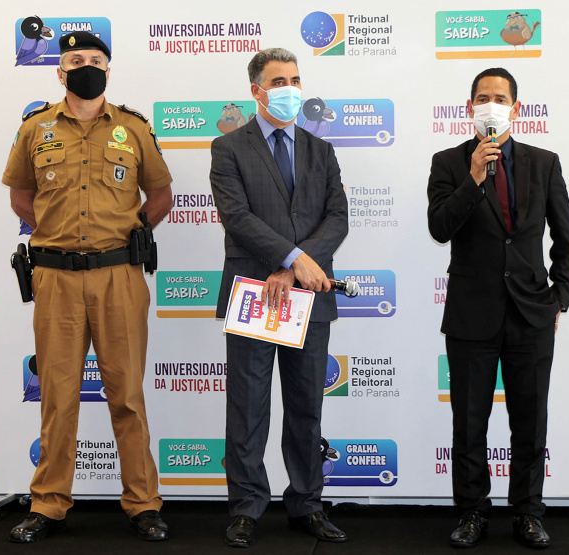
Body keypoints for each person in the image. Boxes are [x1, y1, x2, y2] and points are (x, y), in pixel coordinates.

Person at [1, 31, 173, 543]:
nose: (85, 67)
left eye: (95, 60)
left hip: (119, 277)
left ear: (108, 68)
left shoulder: (134, 128)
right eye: (75, 60)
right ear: (60, 71)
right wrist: (55, 238)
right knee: (57, 396)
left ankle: (143, 504)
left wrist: (127, 235)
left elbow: (160, 194)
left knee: (127, 395)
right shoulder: (35, 129)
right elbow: (20, 199)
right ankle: (48, 504)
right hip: (55, 279)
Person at [427, 68, 569, 549]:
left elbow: (565, 239)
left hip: (532, 314)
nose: (490, 104)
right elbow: (439, 228)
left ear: (516, 107)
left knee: (529, 422)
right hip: (472, 315)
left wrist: (561, 297)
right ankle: (472, 512)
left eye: (500, 97)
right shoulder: (448, 162)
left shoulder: (544, 162)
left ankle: (528, 512)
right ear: (470, 107)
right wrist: (473, 178)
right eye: (482, 97)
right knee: (468, 423)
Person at [209, 47, 349, 548]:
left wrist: (299, 266)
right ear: (256, 91)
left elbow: (337, 217)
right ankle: (246, 507)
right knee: (248, 407)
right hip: (255, 293)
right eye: (278, 81)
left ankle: (307, 503)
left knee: (307, 405)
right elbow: (237, 216)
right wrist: (292, 259)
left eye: (295, 79)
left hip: (306, 296)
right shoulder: (227, 149)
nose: (290, 88)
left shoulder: (320, 149)